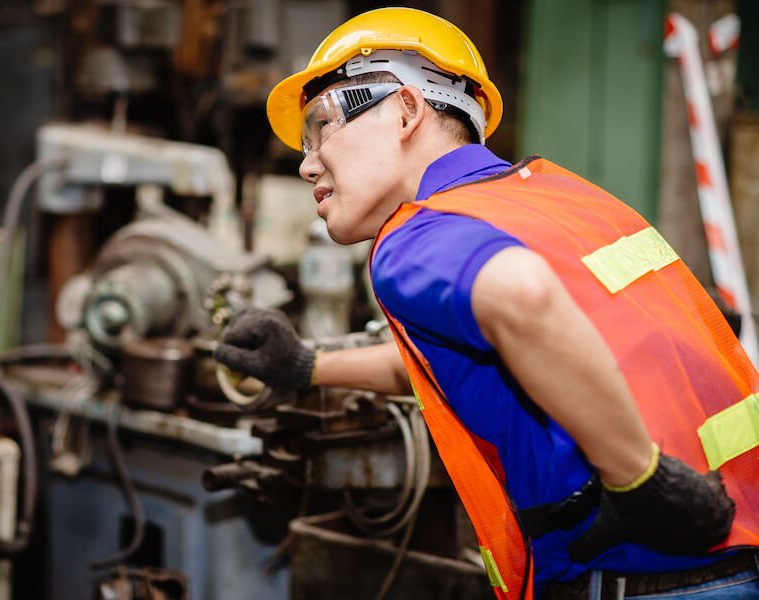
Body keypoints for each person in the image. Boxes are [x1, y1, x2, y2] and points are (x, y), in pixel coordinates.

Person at [214, 7, 759, 599]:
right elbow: (506, 340)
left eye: (321, 126)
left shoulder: (415, 236)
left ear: (405, 109)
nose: (307, 161)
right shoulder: (560, 197)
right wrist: (308, 367)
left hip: (641, 582)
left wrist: (638, 479)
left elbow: (520, 295)